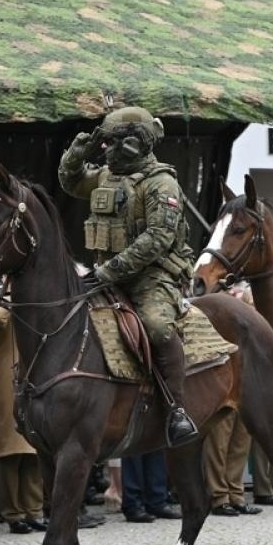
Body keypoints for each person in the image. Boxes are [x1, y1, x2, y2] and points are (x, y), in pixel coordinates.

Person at [59, 106, 200, 446]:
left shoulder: (161, 184)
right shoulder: (107, 177)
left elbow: (157, 240)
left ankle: (177, 410)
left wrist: (107, 271)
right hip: (108, 274)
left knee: (157, 326)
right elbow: (71, 182)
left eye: (111, 142)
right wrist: (77, 153)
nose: (105, 149)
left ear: (134, 145)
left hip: (152, 278)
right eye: (103, 142)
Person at [0, 302, 46, 534]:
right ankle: (13, 513)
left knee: (33, 452)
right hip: (6, 378)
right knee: (11, 452)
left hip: (33, 376)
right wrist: (9, 298)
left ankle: (34, 510)